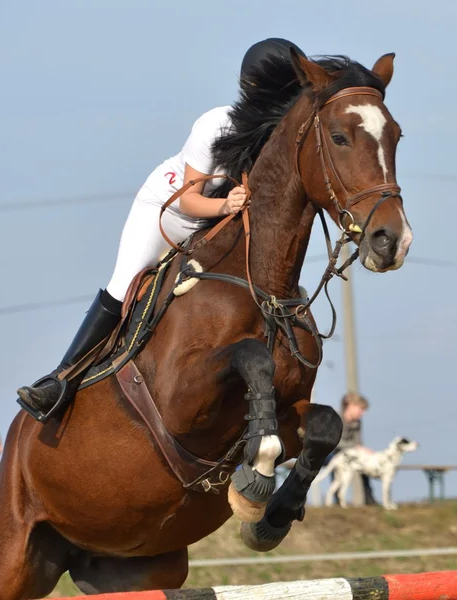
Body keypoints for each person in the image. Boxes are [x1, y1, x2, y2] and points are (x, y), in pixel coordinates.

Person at [16, 38, 307, 423]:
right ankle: (60, 381)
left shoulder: (276, 134)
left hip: (216, 226)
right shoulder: (216, 124)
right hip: (168, 213)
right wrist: (225, 205)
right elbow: (190, 201)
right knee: (123, 286)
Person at [323, 392, 379, 506]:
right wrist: (356, 448)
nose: (362, 413)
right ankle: (337, 499)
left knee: (363, 463)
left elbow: (357, 442)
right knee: (337, 462)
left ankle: (369, 498)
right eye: (361, 409)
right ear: (351, 406)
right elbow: (334, 442)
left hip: (346, 454)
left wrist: (363, 452)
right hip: (328, 453)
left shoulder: (357, 423)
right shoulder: (335, 418)